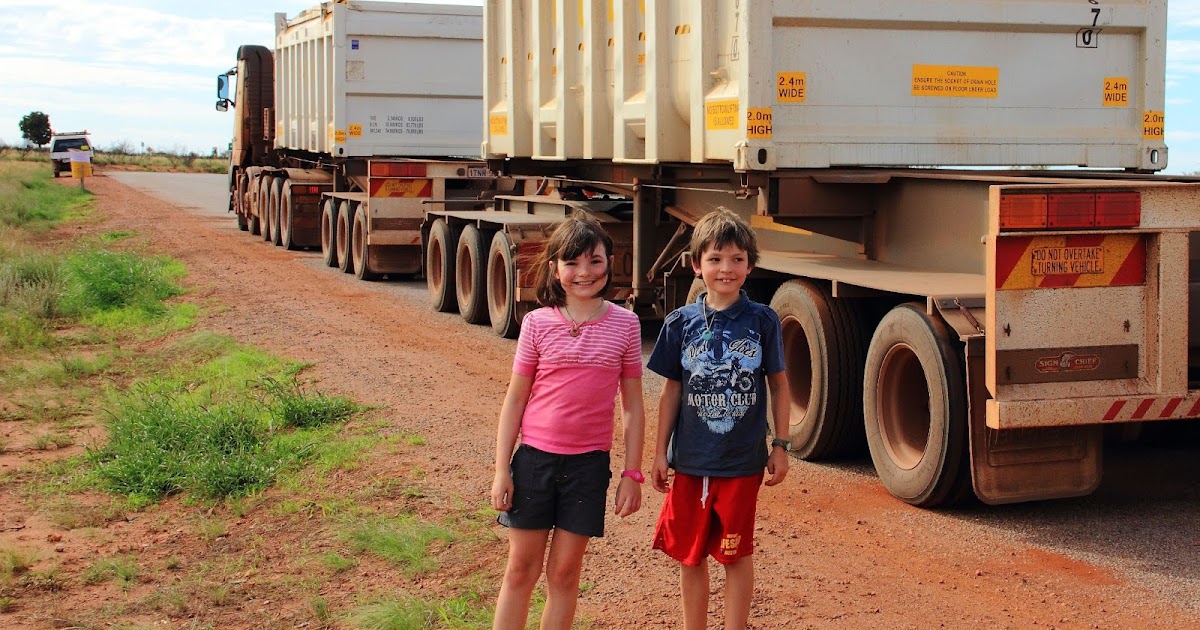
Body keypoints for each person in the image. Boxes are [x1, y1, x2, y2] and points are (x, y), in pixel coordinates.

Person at [490, 211, 646, 630]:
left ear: (610, 263)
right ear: (555, 268)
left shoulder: (626, 325)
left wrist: (632, 473)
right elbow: (515, 398)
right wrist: (502, 469)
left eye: (594, 261)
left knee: (564, 574)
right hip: (534, 462)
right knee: (520, 570)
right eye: (572, 262)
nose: (584, 272)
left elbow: (633, 406)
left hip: (587, 468)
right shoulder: (537, 323)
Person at [648, 207, 792, 630]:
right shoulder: (680, 324)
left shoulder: (763, 320)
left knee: (736, 554)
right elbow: (672, 391)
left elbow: (780, 385)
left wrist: (781, 445)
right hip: (690, 461)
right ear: (697, 265)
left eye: (736, 259)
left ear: (750, 265)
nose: (726, 268)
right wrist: (659, 453)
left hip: (741, 463)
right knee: (690, 556)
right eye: (715, 258)